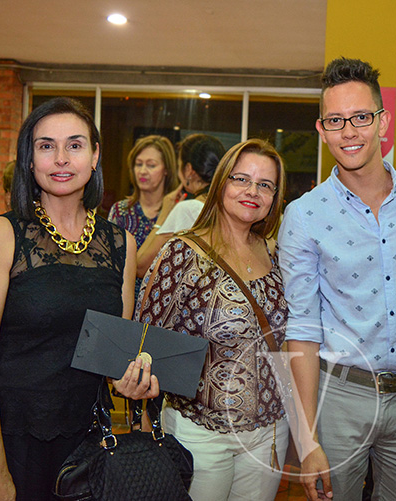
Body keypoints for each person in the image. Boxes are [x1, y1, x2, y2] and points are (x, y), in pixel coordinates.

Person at [0, 97, 158, 501]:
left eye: (75, 145)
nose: (61, 158)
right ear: (29, 160)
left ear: (95, 156)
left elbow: (113, 362)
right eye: (46, 146)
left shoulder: (121, 244)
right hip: (4, 443)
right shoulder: (2, 235)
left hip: (84, 448)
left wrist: (134, 380)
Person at [279, 57, 396, 501]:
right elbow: (300, 329)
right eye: (336, 121)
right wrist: (308, 438)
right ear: (322, 130)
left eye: (361, 117)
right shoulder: (303, 215)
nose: (349, 131)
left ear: (383, 122)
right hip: (339, 397)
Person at [137, 138, 288, 501]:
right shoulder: (183, 252)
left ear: (275, 197)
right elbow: (145, 339)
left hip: (269, 432)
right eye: (242, 179)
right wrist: (144, 417)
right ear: (221, 182)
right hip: (200, 431)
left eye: (265, 185)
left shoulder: (276, 251)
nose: (253, 191)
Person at [136, 134, 225, 278]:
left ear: (189, 170)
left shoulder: (187, 209)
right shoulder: (228, 208)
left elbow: (140, 266)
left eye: (179, 166)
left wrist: (164, 215)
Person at [108, 135, 178, 292]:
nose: (143, 171)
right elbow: (111, 267)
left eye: (151, 165)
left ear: (166, 170)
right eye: (138, 164)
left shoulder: (176, 212)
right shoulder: (121, 211)